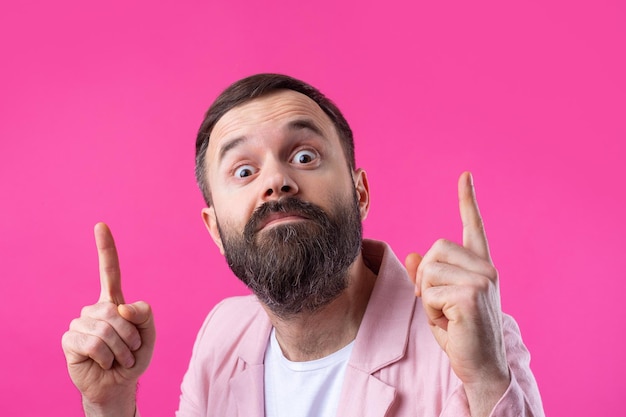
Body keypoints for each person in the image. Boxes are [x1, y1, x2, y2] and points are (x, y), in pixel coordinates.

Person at [62, 73, 544, 417]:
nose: (276, 180)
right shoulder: (221, 334)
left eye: (305, 155)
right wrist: (109, 404)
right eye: (244, 171)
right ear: (214, 229)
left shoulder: (471, 341)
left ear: (360, 194)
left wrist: (484, 379)